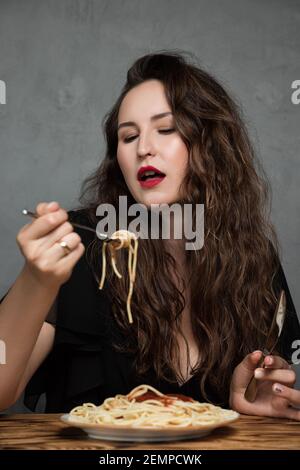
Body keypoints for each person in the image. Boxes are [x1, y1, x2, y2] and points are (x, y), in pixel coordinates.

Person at [0, 52, 299, 419]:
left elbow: (269, 377)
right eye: (128, 136)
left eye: (166, 129)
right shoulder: (83, 246)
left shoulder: (254, 257)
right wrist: (36, 281)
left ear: (210, 144)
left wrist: (255, 398)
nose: (143, 148)